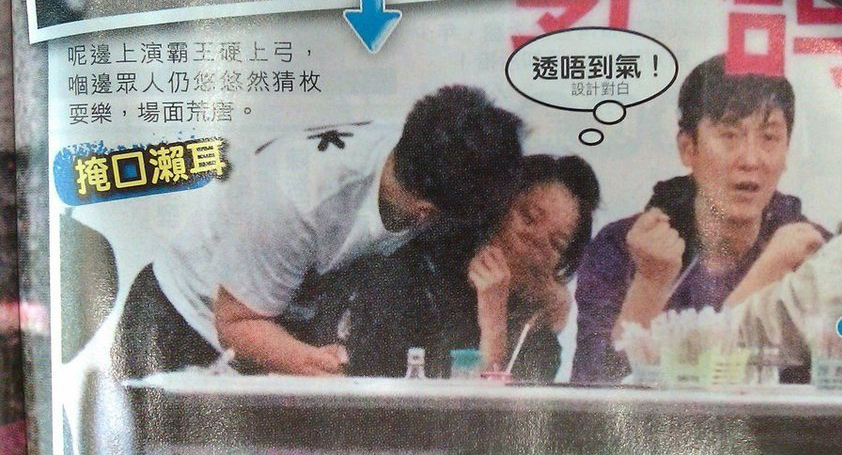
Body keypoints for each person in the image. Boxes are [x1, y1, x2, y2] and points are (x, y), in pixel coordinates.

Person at [111, 85, 526, 379]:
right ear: (426, 212)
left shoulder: (436, 167)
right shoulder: (298, 196)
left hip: (278, 316)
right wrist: (316, 366)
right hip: (182, 321)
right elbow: (236, 321)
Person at [571, 55, 830, 384]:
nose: (751, 159)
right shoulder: (622, 248)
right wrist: (649, 283)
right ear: (687, 148)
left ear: (787, 150)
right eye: (729, 135)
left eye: (769, 138)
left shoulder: (814, 254)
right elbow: (593, 389)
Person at [302, 154, 600, 381]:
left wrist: (494, 322)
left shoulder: (535, 335)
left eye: (557, 243)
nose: (534, 242)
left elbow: (505, 425)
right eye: (528, 217)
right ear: (497, 206)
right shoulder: (407, 273)